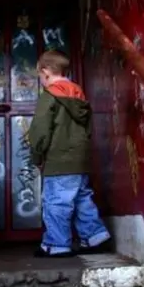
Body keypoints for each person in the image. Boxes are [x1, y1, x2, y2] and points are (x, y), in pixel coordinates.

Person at [28, 50, 112, 258]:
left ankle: (56, 244)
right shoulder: (79, 94)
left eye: (40, 75)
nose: (41, 79)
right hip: (80, 160)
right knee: (82, 198)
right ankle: (95, 236)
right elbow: (88, 129)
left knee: (56, 202)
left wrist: (37, 157)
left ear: (46, 72)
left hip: (59, 160)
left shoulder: (49, 96)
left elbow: (39, 131)